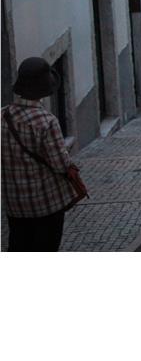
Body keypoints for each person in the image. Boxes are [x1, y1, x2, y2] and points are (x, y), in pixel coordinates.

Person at [1, 57, 80, 251]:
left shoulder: (2, 115)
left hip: (15, 203)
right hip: (46, 203)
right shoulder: (46, 121)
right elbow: (60, 164)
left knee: (18, 247)